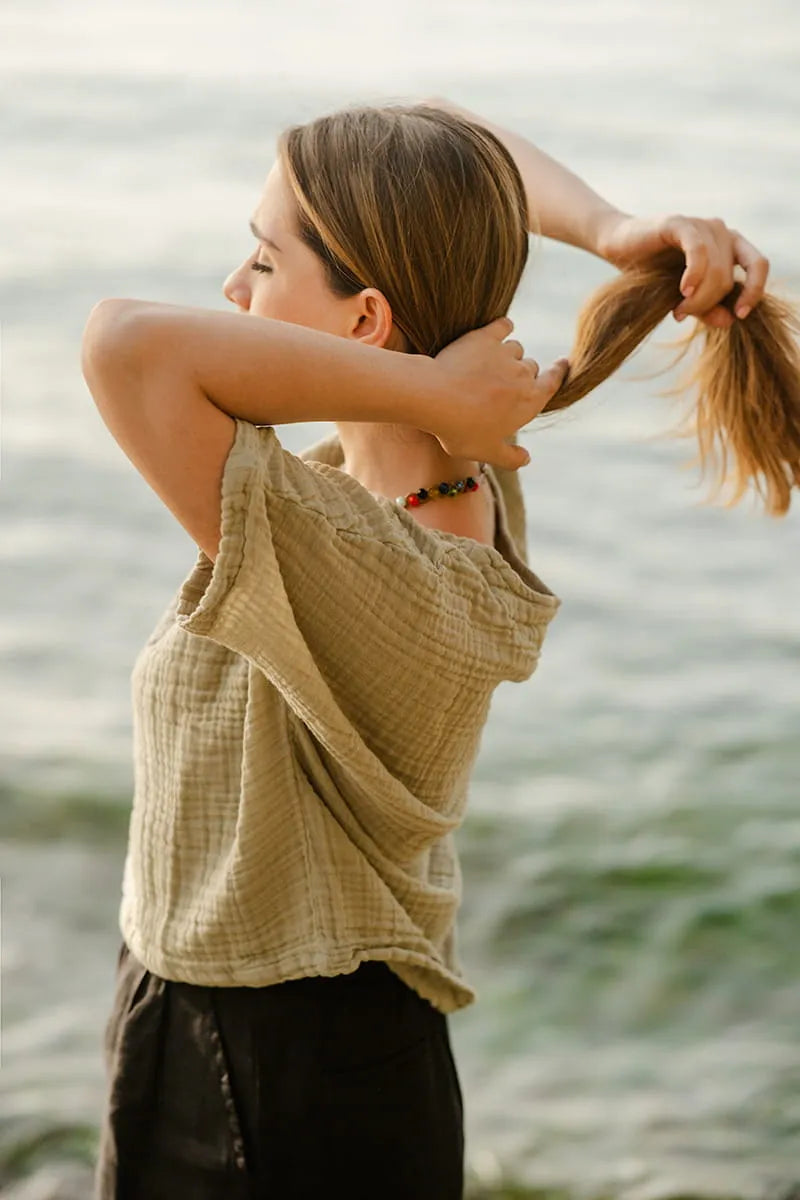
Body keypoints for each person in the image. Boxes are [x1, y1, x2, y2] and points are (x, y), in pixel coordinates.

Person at [83, 99, 798, 1200]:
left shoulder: (372, 561)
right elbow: (447, 146)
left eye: (262, 262)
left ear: (367, 320)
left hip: (263, 1070)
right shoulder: (442, 471)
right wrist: (613, 230)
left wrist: (429, 387)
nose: (233, 293)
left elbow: (124, 347)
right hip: (298, 1039)